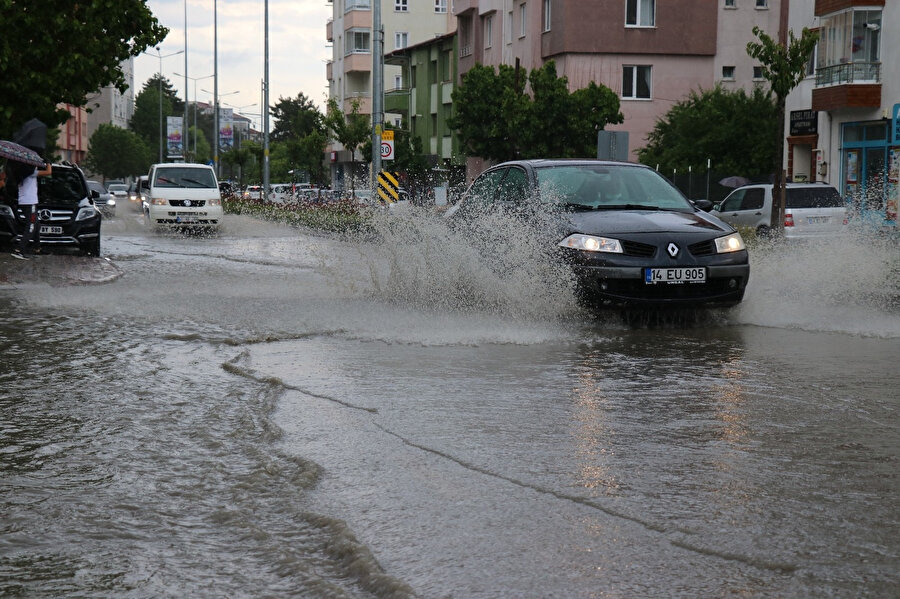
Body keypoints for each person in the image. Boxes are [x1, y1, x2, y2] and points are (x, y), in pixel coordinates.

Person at [9, 159, 52, 260]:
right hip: (30, 203)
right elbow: (49, 172)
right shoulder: (31, 173)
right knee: (31, 226)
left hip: (25, 202)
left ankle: (37, 248)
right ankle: (19, 250)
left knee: (36, 224)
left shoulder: (22, 173)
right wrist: (48, 163)